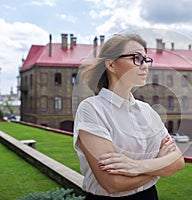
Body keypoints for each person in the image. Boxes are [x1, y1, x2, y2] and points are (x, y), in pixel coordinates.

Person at [73, 33, 185, 199]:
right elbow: (113, 183)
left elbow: (178, 161)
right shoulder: (92, 109)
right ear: (111, 65)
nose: (145, 65)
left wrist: (137, 166)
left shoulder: (147, 111)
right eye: (136, 58)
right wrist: (160, 165)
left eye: (146, 60)